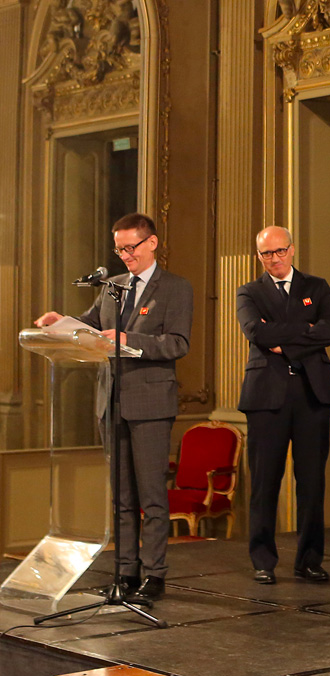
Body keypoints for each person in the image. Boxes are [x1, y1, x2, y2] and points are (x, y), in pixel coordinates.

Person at [34, 213, 193, 603]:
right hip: (112, 402)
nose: (125, 256)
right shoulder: (112, 288)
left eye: (130, 247)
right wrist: (61, 322)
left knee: (151, 495)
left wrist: (130, 339)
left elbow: (177, 344)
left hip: (151, 402)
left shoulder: (175, 288)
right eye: (119, 248)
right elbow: (90, 327)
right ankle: (125, 571)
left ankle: (154, 574)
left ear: (151, 243)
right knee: (121, 497)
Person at [236, 226, 330, 585]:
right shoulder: (249, 291)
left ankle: (309, 560)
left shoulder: (317, 286)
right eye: (267, 254)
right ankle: (263, 560)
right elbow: (256, 332)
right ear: (259, 257)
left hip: (313, 394)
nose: (275, 259)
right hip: (266, 396)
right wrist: (302, 331)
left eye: (280, 251)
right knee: (265, 481)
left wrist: (284, 341)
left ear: (293, 250)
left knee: (312, 482)